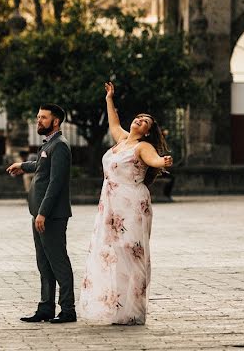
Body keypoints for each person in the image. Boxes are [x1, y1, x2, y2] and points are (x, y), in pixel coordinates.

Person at [76, 82, 173, 325]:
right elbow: (113, 122)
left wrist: (162, 162)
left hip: (131, 204)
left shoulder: (143, 146)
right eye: (138, 118)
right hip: (110, 204)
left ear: (148, 131)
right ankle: (114, 306)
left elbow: (154, 160)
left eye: (145, 122)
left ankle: (132, 310)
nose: (139, 121)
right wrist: (109, 98)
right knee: (112, 253)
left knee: (130, 251)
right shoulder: (122, 140)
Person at [6, 104, 76, 324]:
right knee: (43, 263)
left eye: (43, 118)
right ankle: (45, 308)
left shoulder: (61, 146)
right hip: (39, 214)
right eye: (38, 117)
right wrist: (23, 165)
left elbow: (55, 183)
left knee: (58, 262)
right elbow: (42, 164)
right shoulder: (50, 144)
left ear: (55, 121)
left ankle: (67, 310)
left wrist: (43, 213)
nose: (38, 121)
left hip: (51, 216)